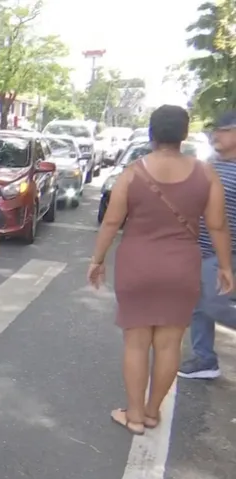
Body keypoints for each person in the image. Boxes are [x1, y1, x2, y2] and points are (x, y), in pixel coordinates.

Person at [88, 105, 233, 435]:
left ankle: (134, 415)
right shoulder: (205, 173)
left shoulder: (133, 172)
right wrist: (225, 267)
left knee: (136, 344)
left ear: (152, 133)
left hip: (136, 265)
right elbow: (218, 226)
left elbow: (112, 221)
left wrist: (97, 260)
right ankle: (153, 412)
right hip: (182, 267)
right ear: (184, 134)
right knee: (169, 345)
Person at [179, 110, 236, 380]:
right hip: (200, 247)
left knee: (213, 304)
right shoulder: (211, 162)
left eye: (223, 130)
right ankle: (205, 359)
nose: (216, 135)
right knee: (198, 304)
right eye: (215, 129)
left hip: (229, 251)